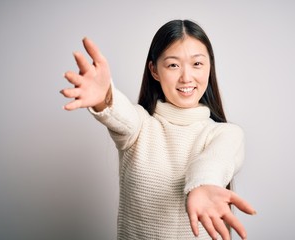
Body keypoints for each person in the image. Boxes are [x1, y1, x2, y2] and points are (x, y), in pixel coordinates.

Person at [60, 19, 256, 240]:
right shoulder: (140, 126)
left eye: (197, 64)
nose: (186, 77)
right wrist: (105, 97)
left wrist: (203, 185)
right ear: (154, 70)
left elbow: (214, 162)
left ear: (210, 66)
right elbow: (121, 114)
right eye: (173, 65)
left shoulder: (226, 134)